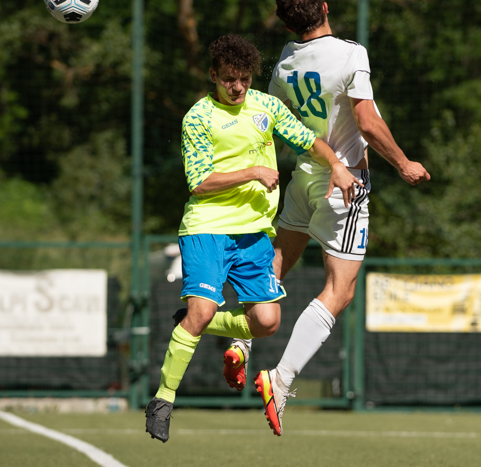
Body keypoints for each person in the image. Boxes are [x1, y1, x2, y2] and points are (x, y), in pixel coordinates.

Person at [223, 0, 430, 437]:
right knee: (341, 290)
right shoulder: (350, 53)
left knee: (277, 262)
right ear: (325, 8)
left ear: (289, 24)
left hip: (304, 175)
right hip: (345, 181)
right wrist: (403, 163)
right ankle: (280, 379)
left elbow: (274, 117)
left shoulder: (285, 61)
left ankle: (242, 341)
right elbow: (367, 122)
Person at [145, 33, 361, 443]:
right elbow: (199, 182)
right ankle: (163, 400)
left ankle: (194, 323)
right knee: (203, 310)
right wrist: (253, 172)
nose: (237, 87)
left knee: (267, 322)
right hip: (208, 228)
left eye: (244, 79)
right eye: (229, 78)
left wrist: (335, 163)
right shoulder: (198, 117)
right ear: (214, 75)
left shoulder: (266, 106)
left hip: (254, 234)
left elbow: (307, 140)